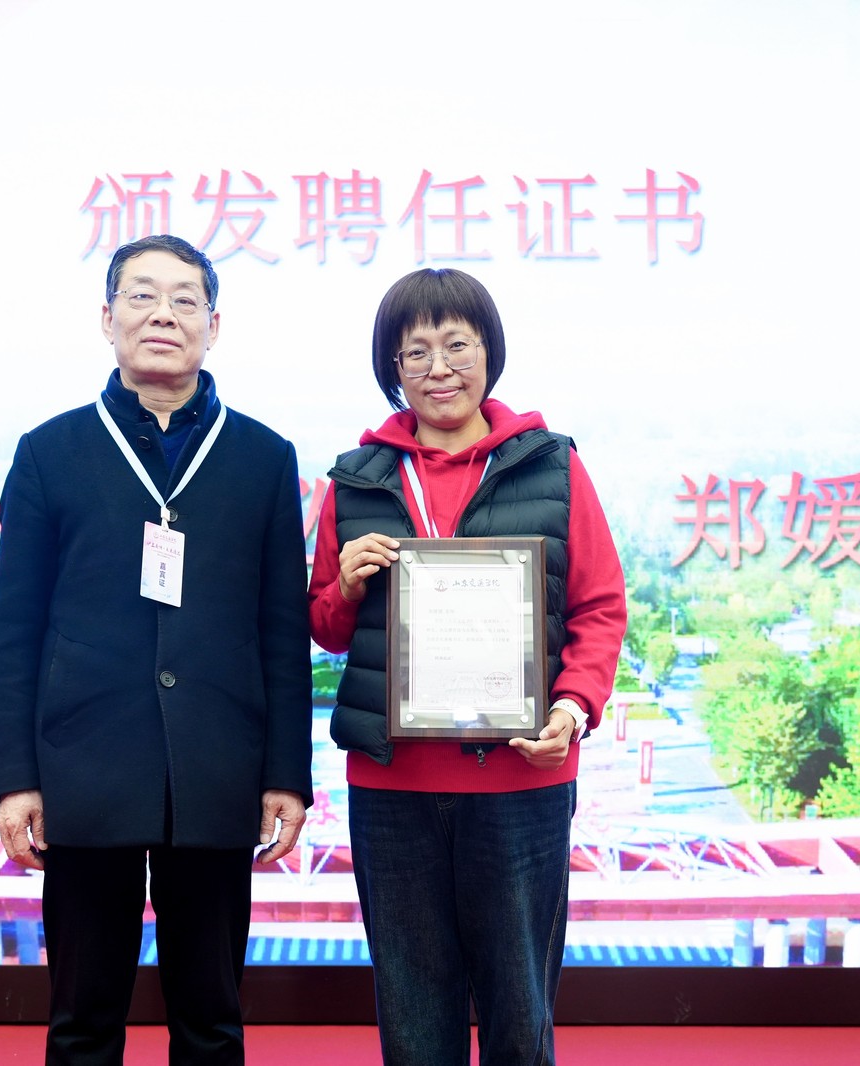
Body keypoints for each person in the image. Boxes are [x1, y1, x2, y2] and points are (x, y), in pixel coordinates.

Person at [0, 234, 314, 1066]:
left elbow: (282, 631)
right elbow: (16, 628)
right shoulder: (49, 452)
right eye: (141, 296)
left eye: (183, 299)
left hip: (216, 768)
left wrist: (285, 774)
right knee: (83, 1020)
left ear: (214, 325)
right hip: (83, 770)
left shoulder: (263, 458)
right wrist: (16, 779)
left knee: (211, 1019)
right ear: (107, 318)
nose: (162, 314)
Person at [307, 268, 627, 1065]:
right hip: (393, 788)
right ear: (392, 366)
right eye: (416, 352)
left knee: (520, 1016)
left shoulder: (551, 466)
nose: (439, 367)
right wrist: (345, 585)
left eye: (457, 345)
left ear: (490, 354)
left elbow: (599, 606)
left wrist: (571, 709)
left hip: (520, 781)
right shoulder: (356, 478)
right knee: (415, 1020)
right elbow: (325, 627)